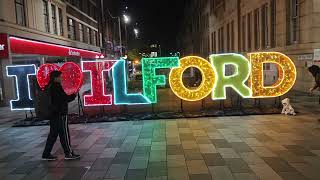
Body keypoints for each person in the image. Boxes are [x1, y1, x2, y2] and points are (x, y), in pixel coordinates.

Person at [42, 71, 80, 160]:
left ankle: (46, 154)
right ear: (56, 78)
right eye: (60, 77)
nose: (61, 78)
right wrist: (74, 95)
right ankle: (68, 153)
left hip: (53, 114)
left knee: (53, 134)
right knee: (64, 134)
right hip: (60, 114)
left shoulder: (49, 86)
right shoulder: (56, 86)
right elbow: (63, 99)